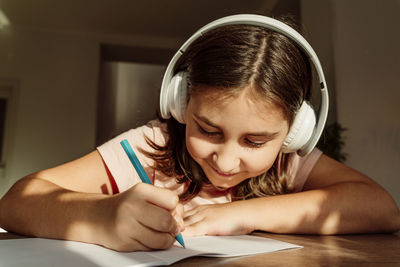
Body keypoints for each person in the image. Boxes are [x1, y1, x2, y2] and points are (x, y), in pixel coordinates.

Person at [0, 14, 399, 252]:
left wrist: (237, 214)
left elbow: (381, 208)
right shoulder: (152, 146)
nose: (225, 161)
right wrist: (100, 216)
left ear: (294, 133)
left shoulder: (288, 162)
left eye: (255, 141)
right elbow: (16, 202)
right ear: (179, 104)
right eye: (208, 129)